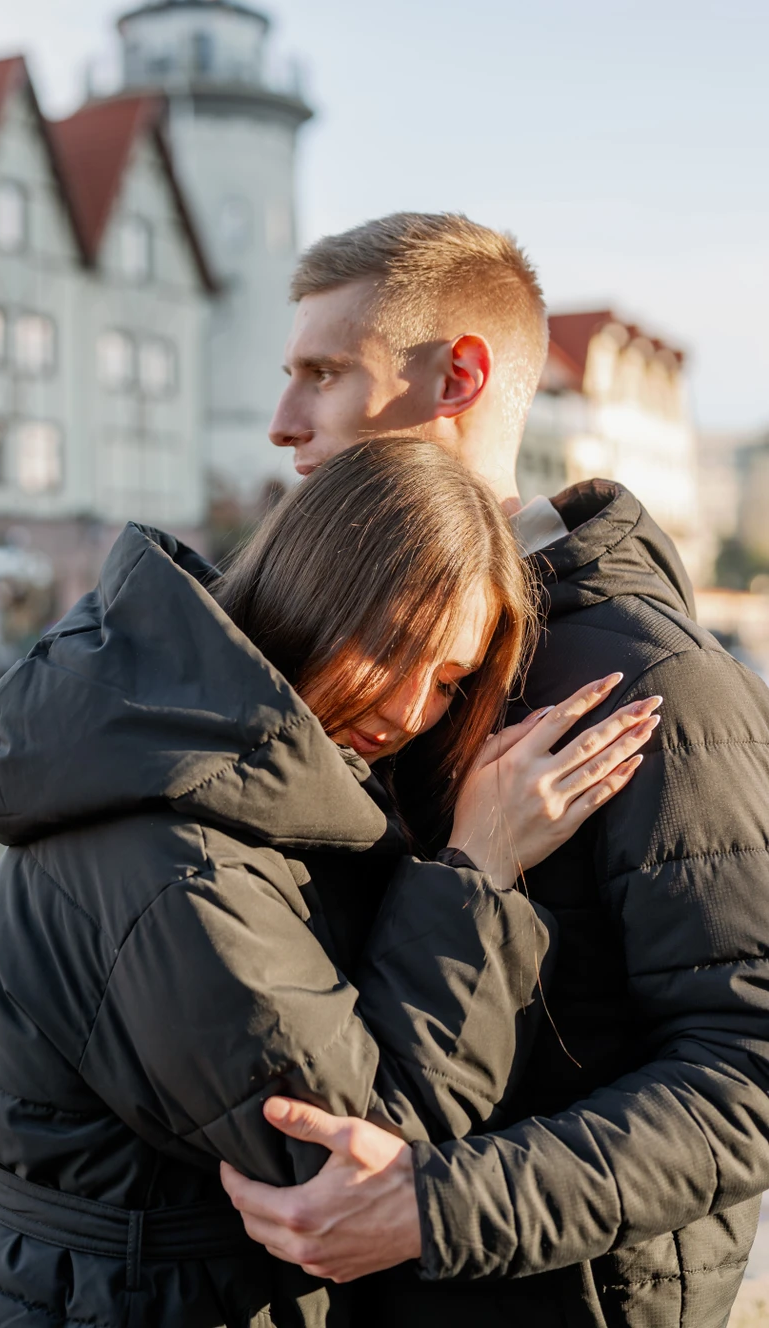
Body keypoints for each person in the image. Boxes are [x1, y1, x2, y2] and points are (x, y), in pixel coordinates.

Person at [0, 440, 653, 1328]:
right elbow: (356, 1153)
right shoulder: (179, 856)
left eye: (449, 681)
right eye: (391, 647)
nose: (406, 711)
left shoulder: (201, 765)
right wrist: (479, 866)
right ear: (310, 593)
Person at [221, 213, 769, 1328]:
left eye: (322, 375)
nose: (282, 425)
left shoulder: (654, 684)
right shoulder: (342, 655)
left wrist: (435, 1208)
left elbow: (748, 1076)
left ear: (458, 377)